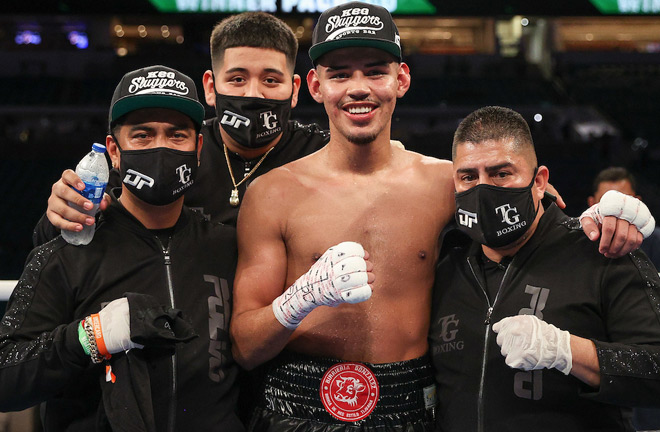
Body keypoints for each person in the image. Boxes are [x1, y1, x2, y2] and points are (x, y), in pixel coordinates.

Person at [229, 3, 649, 430]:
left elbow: (536, 217)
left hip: (415, 407)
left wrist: (610, 219)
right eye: (339, 74)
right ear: (317, 86)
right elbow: (245, 348)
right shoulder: (272, 194)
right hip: (296, 406)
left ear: (402, 79)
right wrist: (297, 302)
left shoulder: (451, 183)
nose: (358, 88)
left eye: (375, 71)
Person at [0, 65, 242, 431]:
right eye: (142, 135)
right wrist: (90, 336)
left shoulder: (228, 247)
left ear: (198, 148)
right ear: (114, 150)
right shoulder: (64, 251)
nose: (160, 147)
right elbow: (6, 377)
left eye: (176, 135)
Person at [429, 106, 660, 432]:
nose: (483, 189)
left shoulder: (601, 252)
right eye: (469, 177)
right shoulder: (447, 265)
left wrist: (567, 350)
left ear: (539, 182)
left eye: (501, 173)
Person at [32, 11, 329, 244]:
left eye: (271, 80)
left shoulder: (324, 152)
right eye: (237, 79)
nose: (253, 94)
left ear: (294, 90)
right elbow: (60, 237)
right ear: (210, 88)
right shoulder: (178, 147)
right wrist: (61, 213)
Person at [588, 166, 660, 270]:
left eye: (624, 201)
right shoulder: (577, 243)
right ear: (592, 204)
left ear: (637, 202)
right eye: (606, 201)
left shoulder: (657, 241)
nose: (614, 209)